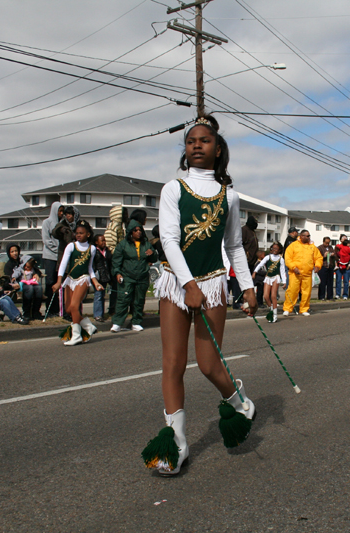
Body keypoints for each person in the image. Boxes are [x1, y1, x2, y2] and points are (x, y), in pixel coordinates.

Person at [147, 115, 257, 477]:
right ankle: (177, 442)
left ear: (218, 149)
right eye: (191, 140)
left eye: (204, 140)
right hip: (176, 284)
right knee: (173, 363)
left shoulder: (231, 197)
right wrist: (186, 283)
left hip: (212, 285)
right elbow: (168, 240)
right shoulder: (173, 189)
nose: (196, 144)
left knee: (209, 364)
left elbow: (234, 246)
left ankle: (239, 401)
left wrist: (249, 286)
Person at [52, 220, 103, 345]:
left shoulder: (92, 249)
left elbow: (90, 268)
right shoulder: (71, 246)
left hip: (83, 279)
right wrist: (59, 281)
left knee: (75, 306)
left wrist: (95, 282)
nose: (78, 235)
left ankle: (76, 336)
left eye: (81, 233)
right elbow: (63, 264)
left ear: (88, 234)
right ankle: (88, 326)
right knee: (69, 309)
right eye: (77, 233)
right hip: (70, 279)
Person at [110, 220, 157, 332]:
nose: (138, 232)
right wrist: (117, 273)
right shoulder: (123, 245)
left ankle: (136, 322)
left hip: (142, 277)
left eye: (140, 230)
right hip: (127, 277)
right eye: (135, 230)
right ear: (130, 232)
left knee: (139, 300)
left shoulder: (146, 244)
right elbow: (116, 261)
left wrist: (153, 253)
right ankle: (117, 323)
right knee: (123, 300)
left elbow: (154, 259)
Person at [282, 229, 322, 316]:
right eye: (307, 236)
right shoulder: (293, 245)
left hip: (307, 274)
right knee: (292, 291)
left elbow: (318, 257)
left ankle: (304, 309)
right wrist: (293, 267)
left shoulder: (312, 247)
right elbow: (287, 258)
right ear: (302, 236)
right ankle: (287, 308)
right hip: (295, 273)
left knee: (306, 292)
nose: (308, 237)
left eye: (309, 236)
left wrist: (318, 266)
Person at [254, 242, 287, 322]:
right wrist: (254, 272)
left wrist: (284, 282)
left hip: (276, 277)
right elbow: (260, 264)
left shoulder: (281, 259)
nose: (274, 250)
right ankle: (272, 309)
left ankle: (275, 315)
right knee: (265, 296)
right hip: (268, 278)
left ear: (279, 250)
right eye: (273, 248)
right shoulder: (268, 257)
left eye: (276, 249)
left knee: (273, 296)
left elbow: (282, 271)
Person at [42, 202, 64, 317]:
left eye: (62, 211)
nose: (61, 213)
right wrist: (58, 250)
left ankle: (58, 309)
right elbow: (46, 240)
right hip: (50, 257)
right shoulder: (47, 222)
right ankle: (49, 309)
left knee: (58, 282)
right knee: (50, 282)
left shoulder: (62, 224)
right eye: (59, 211)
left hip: (60, 258)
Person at [92, 234, 112, 323]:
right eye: (102, 240)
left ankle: (101, 313)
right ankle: (97, 315)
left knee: (102, 295)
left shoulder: (107, 251)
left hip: (105, 276)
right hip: (97, 277)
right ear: (96, 242)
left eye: (104, 240)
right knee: (98, 295)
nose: (104, 242)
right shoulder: (94, 251)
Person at [316, 236, 336, 301]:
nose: (327, 244)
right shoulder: (319, 248)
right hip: (323, 266)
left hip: (330, 266)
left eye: (328, 243)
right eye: (326, 243)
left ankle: (330, 296)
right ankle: (321, 296)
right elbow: (317, 257)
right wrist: (323, 256)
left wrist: (333, 255)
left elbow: (334, 255)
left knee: (330, 282)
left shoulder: (330, 248)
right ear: (323, 242)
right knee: (322, 282)